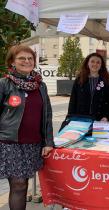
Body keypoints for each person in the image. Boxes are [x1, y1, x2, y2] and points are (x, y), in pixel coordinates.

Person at [0, 45, 54, 210]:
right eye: (21, 58)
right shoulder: (4, 84)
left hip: (33, 143)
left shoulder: (40, 86)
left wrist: (48, 142)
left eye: (30, 58)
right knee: (18, 184)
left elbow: (47, 115)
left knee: (24, 184)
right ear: (12, 62)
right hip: (10, 143)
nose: (27, 61)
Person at [67, 53, 109, 122]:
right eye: (92, 61)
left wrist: (107, 117)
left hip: (99, 120)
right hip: (80, 120)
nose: (95, 64)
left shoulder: (106, 81)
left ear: (101, 65)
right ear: (87, 63)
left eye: (98, 62)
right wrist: (70, 117)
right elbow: (73, 101)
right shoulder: (80, 80)